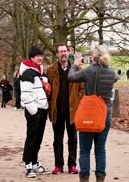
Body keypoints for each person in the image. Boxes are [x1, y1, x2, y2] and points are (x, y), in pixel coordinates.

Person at [68, 45, 118, 182]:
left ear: (94, 57)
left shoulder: (89, 70)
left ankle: (84, 178)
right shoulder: (112, 72)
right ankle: (100, 178)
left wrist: (75, 64)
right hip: (105, 113)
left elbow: (71, 77)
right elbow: (116, 78)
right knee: (100, 149)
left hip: (89, 114)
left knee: (84, 150)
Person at [47, 44, 84, 175]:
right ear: (57, 54)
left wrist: (78, 100)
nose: (63, 54)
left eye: (65, 51)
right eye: (61, 52)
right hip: (57, 110)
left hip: (73, 110)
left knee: (73, 138)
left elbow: (82, 88)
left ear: (68, 53)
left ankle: (72, 165)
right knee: (58, 139)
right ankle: (58, 165)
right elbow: (47, 89)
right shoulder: (50, 69)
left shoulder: (77, 69)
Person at [20, 46, 50, 178]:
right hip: (34, 111)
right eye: (37, 56)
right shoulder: (28, 73)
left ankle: (35, 162)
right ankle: (28, 165)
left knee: (38, 138)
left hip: (42, 110)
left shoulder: (40, 72)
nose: (40, 58)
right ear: (31, 58)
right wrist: (34, 111)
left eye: (41, 55)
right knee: (31, 137)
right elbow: (25, 95)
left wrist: (43, 108)